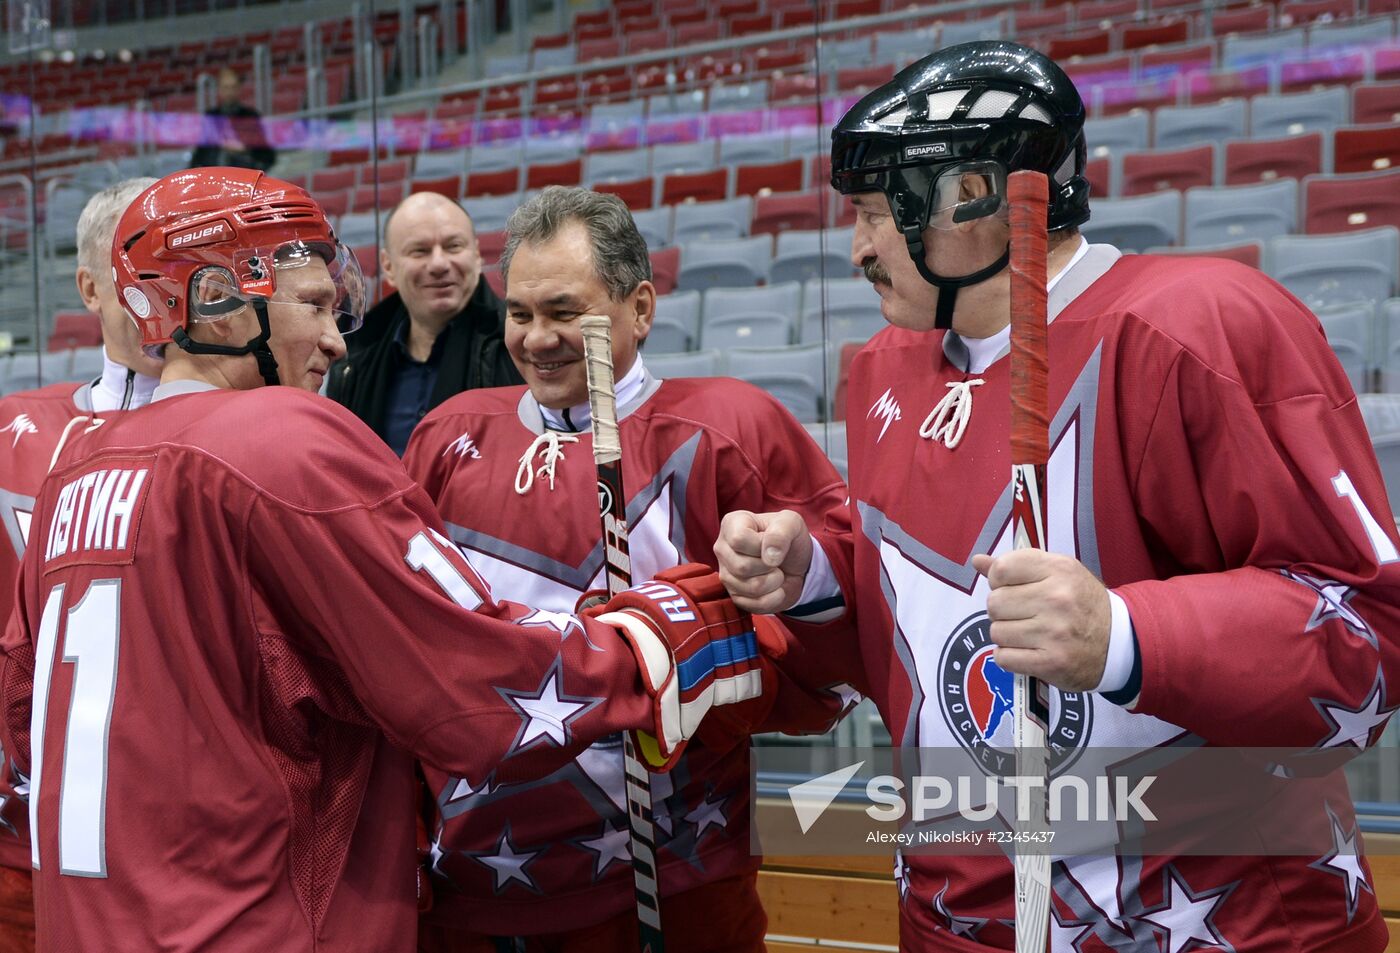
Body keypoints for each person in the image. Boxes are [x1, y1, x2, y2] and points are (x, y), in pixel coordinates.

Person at [714, 41, 1399, 952]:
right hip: (960, 909)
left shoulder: (1201, 326)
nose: (859, 248)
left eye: (877, 214)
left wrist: (1124, 635)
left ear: (971, 197)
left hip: (1209, 916)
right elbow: (927, 637)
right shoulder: (885, 366)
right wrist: (814, 573)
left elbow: (1364, 624)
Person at [0, 167, 767, 953]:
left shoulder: (72, 469)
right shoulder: (280, 441)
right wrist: (663, 634)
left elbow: (24, 727)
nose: (337, 341)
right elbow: (475, 689)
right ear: (217, 304)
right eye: (315, 304)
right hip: (254, 926)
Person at [402, 186, 860, 952]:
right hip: (477, 883)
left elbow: (840, 649)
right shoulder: (446, 435)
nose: (539, 337)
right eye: (520, 314)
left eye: (564, 311)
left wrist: (742, 624)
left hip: (674, 878)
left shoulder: (728, 428)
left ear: (639, 307)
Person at [0, 176, 160, 953]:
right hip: (29, 840)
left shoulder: (260, 433)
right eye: (138, 262)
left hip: (196, 843)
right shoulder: (12, 435)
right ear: (91, 286)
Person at [327, 192, 521, 456]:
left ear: (476, 255)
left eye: (453, 246)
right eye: (420, 251)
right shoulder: (354, 356)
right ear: (388, 266)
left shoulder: (517, 344)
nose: (439, 264)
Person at [190, 67, 277, 173]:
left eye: (233, 87)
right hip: (213, 176)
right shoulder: (211, 117)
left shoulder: (250, 116)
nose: (230, 92)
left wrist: (245, 149)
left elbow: (267, 155)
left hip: (243, 175)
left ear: (239, 89)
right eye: (226, 87)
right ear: (220, 90)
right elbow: (201, 153)